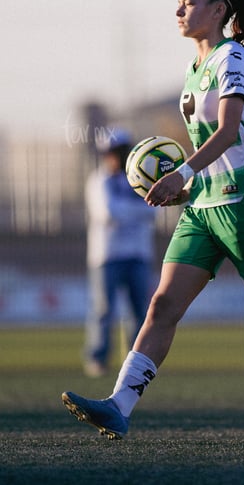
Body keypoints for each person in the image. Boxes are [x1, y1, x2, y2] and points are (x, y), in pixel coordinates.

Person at [62, 0, 244, 444]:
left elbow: (229, 132)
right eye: (177, 3)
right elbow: (209, 146)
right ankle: (118, 406)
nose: (178, 12)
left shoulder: (233, 57)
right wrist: (186, 190)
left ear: (218, 10)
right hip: (203, 207)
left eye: (187, 3)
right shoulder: (196, 69)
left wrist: (181, 174)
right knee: (163, 303)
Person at [83, 129, 156, 377]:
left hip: (138, 254)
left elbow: (153, 212)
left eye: (120, 152)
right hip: (107, 256)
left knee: (140, 313)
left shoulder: (141, 178)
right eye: (111, 153)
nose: (116, 158)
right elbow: (107, 213)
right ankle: (98, 358)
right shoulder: (98, 180)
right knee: (103, 310)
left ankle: (135, 364)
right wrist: (136, 210)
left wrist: (126, 212)